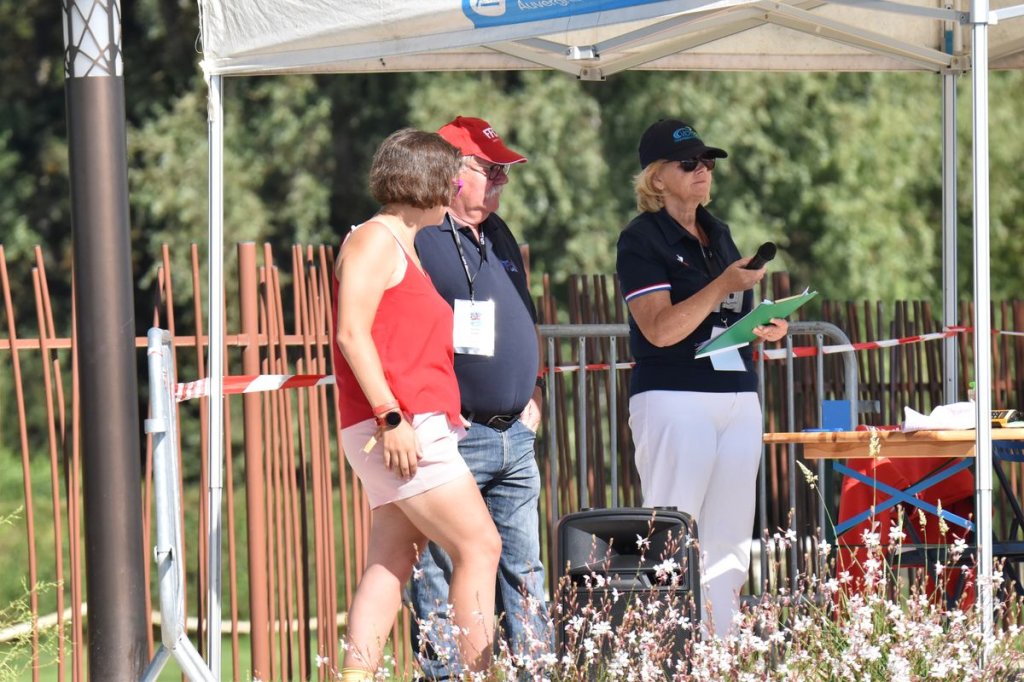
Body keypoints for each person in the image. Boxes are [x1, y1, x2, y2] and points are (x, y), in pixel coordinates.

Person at [331, 128, 502, 681]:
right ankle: (477, 674)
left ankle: (356, 676)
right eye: (454, 179)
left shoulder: (401, 243)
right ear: (427, 182)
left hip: (403, 422)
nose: (458, 189)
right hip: (398, 424)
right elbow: (351, 333)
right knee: (479, 545)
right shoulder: (375, 240)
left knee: (392, 559)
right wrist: (391, 417)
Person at [615, 119, 788, 638]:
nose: (703, 171)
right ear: (657, 178)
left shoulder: (719, 232)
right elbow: (660, 329)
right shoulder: (640, 238)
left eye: (707, 162)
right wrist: (720, 286)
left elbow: (726, 318)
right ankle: (666, 650)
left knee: (730, 541)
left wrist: (763, 326)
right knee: (670, 533)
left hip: (736, 393)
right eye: (689, 163)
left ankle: (722, 648)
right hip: (674, 395)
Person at [409, 116, 551, 678]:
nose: (502, 182)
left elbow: (525, 314)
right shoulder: (420, 234)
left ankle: (534, 671)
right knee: (441, 568)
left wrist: (534, 389)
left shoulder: (498, 232)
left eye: (504, 172)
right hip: (455, 432)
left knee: (525, 570)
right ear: (451, 171)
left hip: (514, 432)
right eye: (491, 170)